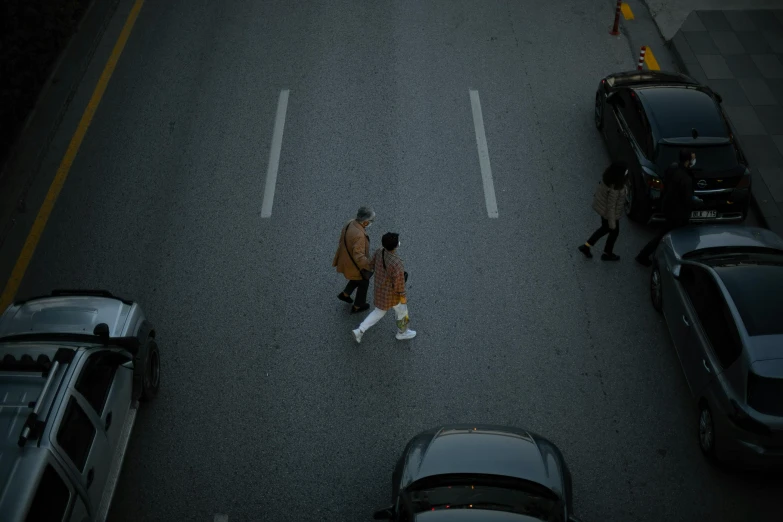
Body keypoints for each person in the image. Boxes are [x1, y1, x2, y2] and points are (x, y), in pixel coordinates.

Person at [352, 232, 416, 343]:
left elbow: (371, 264)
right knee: (402, 311)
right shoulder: (397, 263)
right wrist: (403, 297)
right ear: (396, 246)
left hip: (380, 289)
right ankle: (402, 333)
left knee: (378, 312)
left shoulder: (379, 251)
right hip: (392, 294)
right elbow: (399, 284)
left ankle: (360, 329)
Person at [635, 149, 696, 266]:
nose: (694, 160)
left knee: (664, 233)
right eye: (693, 158)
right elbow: (688, 199)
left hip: (669, 207)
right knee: (668, 235)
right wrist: (697, 203)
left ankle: (644, 255)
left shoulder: (673, 168)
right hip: (678, 213)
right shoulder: (686, 179)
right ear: (688, 161)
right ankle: (646, 256)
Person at [578, 161, 628, 261]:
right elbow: (611, 206)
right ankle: (605, 253)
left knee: (605, 229)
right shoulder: (615, 188)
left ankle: (589, 247)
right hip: (610, 215)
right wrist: (612, 223)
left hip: (604, 211)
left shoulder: (608, 179)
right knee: (611, 231)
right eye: (625, 172)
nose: (626, 174)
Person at [333, 206, 375, 313]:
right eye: (371, 220)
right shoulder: (360, 235)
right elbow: (359, 256)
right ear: (365, 222)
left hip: (346, 258)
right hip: (353, 263)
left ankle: (345, 294)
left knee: (357, 277)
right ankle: (358, 305)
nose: (372, 222)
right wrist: (370, 265)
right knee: (364, 281)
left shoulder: (350, 222)